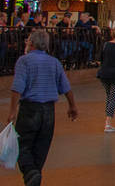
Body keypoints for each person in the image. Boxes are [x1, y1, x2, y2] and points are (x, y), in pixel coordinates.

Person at [7, 30, 78, 186]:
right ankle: (34, 177)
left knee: (21, 146)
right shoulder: (54, 62)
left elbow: (17, 87)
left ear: (31, 43)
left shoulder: (24, 61)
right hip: (49, 112)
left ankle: (31, 173)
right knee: (41, 148)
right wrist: (72, 106)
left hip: (29, 110)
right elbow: (66, 87)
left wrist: (12, 111)